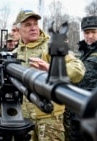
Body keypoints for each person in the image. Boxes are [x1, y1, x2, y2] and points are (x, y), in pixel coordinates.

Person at [14, 10, 85, 141]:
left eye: (35, 24)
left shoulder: (51, 47)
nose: (33, 27)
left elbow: (78, 69)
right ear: (18, 29)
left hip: (49, 118)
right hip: (24, 119)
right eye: (28, 24)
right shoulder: (15, 53)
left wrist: (52, 69)